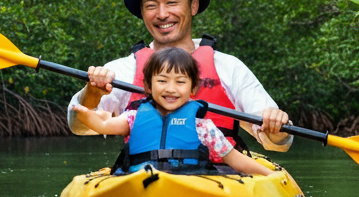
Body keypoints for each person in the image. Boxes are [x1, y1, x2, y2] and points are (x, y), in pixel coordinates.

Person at [68, 0, 292, 151]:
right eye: (151, 5)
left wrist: (276, 125)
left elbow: (280, 141)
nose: (162, 14)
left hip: (220, 180)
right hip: (146, 177)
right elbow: (78, 125)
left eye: (172, 2)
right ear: (142, 12)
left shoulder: (228, 67)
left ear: (193, 5)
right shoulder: (123, 70)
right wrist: (92, 93)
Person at [71, 47, 272, 177]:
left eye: (180, 82)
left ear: (193, 89)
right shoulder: (133, 117)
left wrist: (270, 176)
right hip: (142, 182)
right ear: (148, 86)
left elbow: (234, 159)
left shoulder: (203, 127)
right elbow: (105, 124)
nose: (171, 88)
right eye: (162, 81)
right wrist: (83, 113)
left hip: (191, 186)